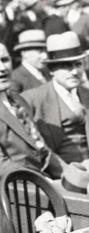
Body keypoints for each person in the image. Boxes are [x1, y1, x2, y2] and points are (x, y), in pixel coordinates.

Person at [22, 31, 89, 165]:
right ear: (51, 70)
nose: (74, 72)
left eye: (78, 64)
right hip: (57, 176)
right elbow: (32, 150)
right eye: (66, 66)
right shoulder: (32, 100)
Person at [0, 42, 63, 178]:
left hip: (42, 182)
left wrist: (72, 175)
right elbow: (2, 166)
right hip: (16, 188)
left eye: (5, 60)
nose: (2, 68)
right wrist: (45, 183)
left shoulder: (18, 100)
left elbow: (41, 149)